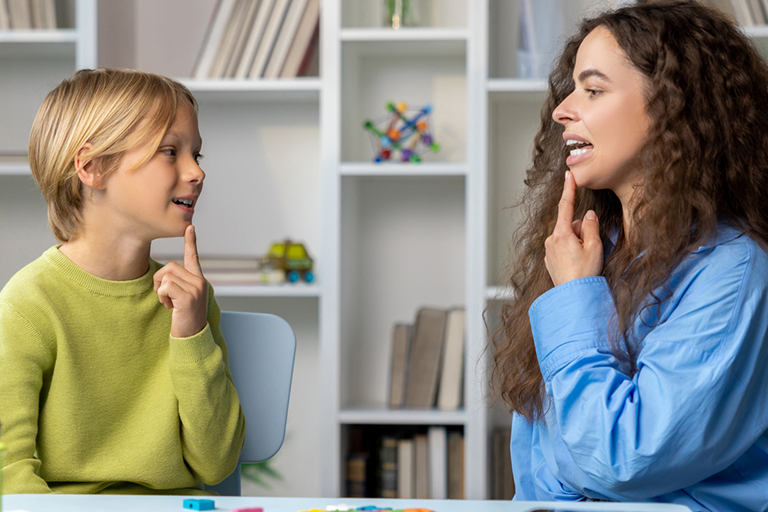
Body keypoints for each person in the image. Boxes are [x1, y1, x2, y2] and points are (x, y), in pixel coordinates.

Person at [489, 1, 768, 510]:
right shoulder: (592, 253)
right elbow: (538, 464)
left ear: (671, 108)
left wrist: (575, 296)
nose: (562, 110)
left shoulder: (734, 271)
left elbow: (624, 461)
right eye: (572, 88)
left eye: (593, 90)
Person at [0, 69, 245, 494]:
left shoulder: (191, 302)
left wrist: (192, 333)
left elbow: (216, 464)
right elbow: (9, 474)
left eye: (196, 155)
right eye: (170, 151)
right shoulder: (28, 305)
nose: (196, 172)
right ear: (92, 167)